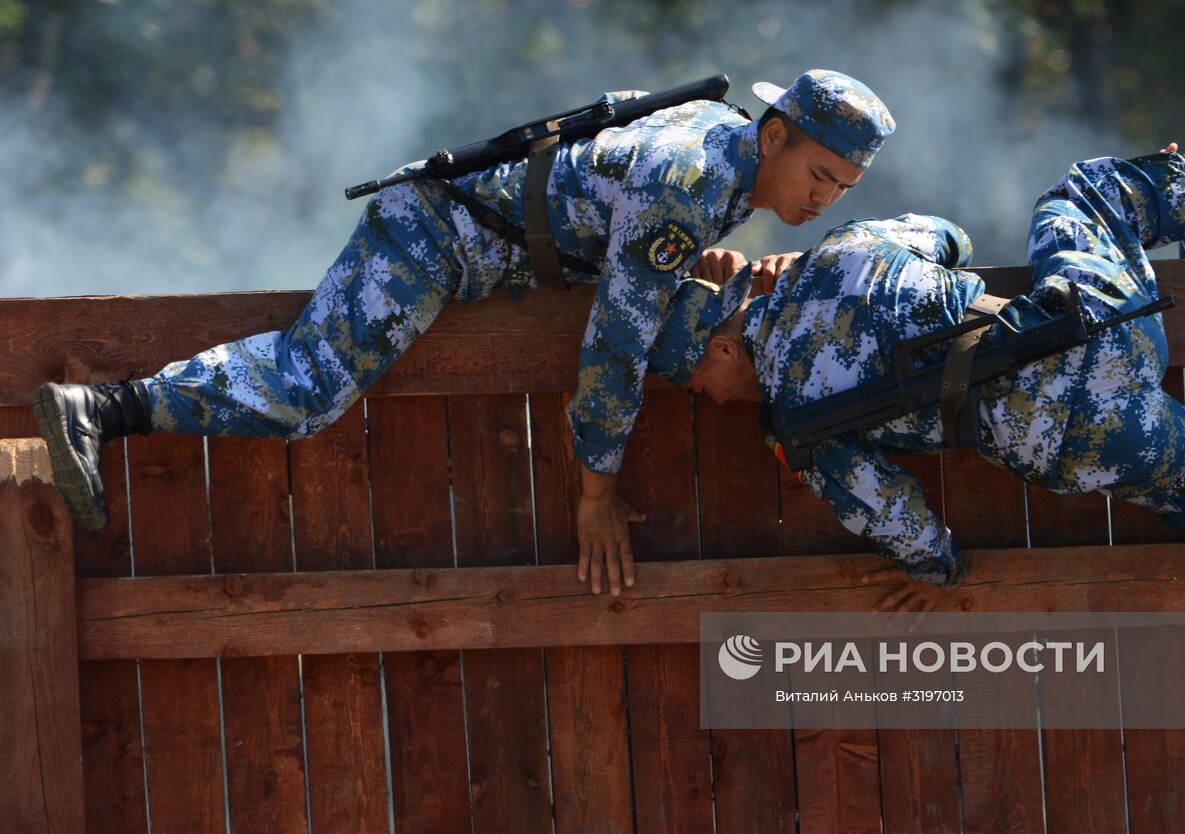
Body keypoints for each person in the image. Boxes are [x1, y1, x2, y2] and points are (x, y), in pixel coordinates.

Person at [33, 69, 895, 598]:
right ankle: (102, 410)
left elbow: (626, 223)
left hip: (486, 244)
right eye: (819, 174)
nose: (824, 200)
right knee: (306, 391)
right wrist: (595, 493)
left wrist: (729, 265)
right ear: (774, 134)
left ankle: (107, 409)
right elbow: (617, 346)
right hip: (435, 233)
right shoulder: (695, 176)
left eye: (843, 189)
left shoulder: (725, 158)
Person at [645, 128, 1185, 605]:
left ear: (719, 344)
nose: (706, 398)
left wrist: (936, 575)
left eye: (696, 383)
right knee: (1086, 192)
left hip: (1081, 442)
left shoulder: (800, 433)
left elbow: (910, 532)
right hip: (1094, 329)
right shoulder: (839, 254)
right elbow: (949, 239)